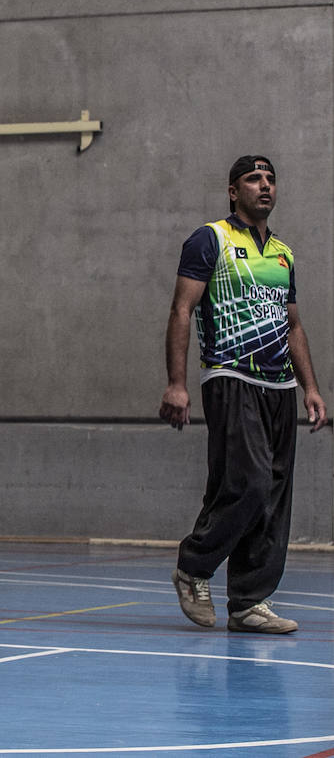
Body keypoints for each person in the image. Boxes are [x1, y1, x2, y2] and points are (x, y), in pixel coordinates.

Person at [160, 154, 327, 634]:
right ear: (234, 191)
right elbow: (181, 309)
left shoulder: (283, 253)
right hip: (231, 376)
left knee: (273, 495)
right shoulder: (209, 239)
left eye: (271, 178)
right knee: (249, 483)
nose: (265, 185)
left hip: (280, 386)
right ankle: (194, 566)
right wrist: (176, 383)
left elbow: (293, 324)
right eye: (254, 179)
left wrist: (310, 388)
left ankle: (249, 602)